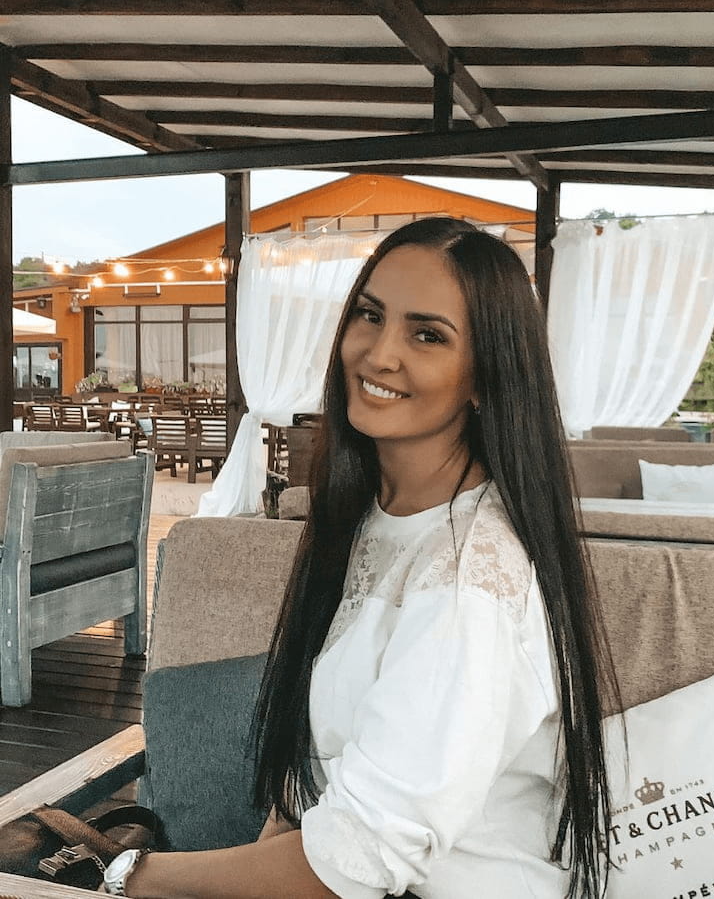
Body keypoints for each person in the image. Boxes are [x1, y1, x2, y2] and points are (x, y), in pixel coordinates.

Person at [105, 217, 617, 898]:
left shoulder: (466, 584)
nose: (379, 353)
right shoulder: (381, 516)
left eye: (427, 335)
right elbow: (313, 786)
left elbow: (359, 858)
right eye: (370, 316)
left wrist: (132, 876)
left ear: (485, 377)